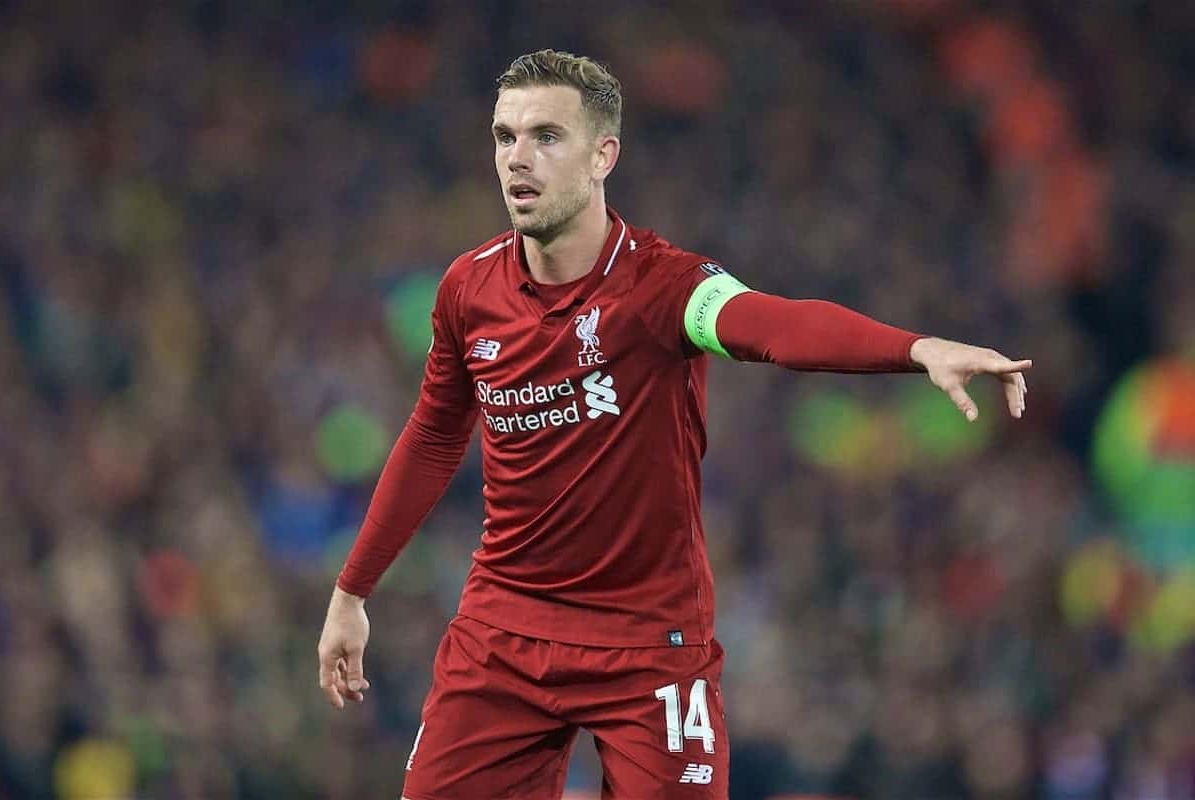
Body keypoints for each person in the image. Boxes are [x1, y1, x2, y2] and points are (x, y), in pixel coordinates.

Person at [316, 49, 1031, 800]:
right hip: (505, 632)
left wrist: (914, 349)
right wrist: (351, 592)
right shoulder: (469, 288)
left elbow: (772, 326)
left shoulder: (663, 286)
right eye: (504, 137)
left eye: (546, 137)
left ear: (603, 155)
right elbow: (433, 437)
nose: (517, 159)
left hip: (648, 647)